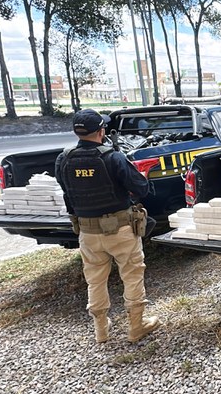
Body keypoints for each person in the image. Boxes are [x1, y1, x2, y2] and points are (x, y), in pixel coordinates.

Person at [55, 109, 160, 344]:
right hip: (121, 230)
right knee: (132, 275)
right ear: (102, 131)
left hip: (87, 231)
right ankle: (136, 327)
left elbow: (66, 190)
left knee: (95, 279)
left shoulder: (64, 158)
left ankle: (101, 331)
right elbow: (141, 189)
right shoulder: (113, 157)